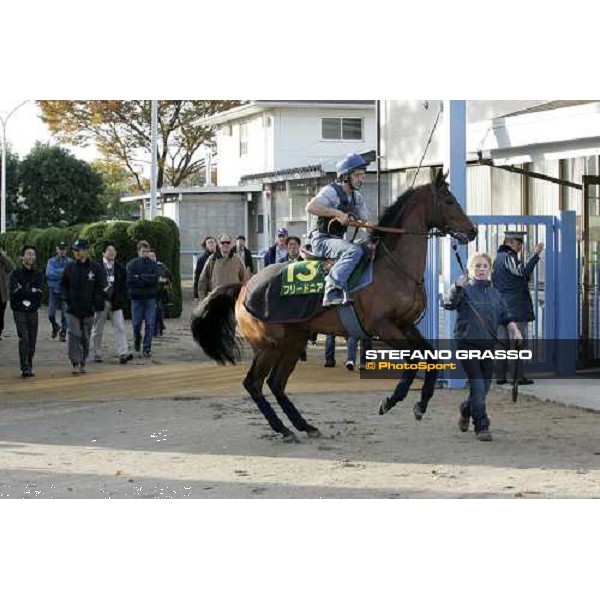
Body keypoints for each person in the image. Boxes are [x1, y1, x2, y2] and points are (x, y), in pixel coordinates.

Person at [443, 252, 523, 441]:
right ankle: (482, 425)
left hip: (488, 345)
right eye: (477, 266)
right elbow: (447, 303)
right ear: (471, 270)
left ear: (490, 270)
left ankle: (465, 408)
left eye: (484, 266)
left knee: (484, 388)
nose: (481, 269)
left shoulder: (496, 294)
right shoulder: (464, 290)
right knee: (478, 385)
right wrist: (456, 287)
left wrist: (514, 330)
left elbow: (506, 315)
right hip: (467, 343)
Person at [306, 152, 371, 306]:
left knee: (367, 248)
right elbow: (311, 207)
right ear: (345, 176)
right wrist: (337, 213)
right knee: (353, 251)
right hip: (321, 241)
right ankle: (331, 289)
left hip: (338, 241)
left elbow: (365, 223)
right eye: (358, 175)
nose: (362, 179)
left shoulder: (357, 197)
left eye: (363, 175)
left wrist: (378, 233)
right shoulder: (331, 191)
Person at [492, 230, 544, 385]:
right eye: (519, 243)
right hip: (515, 308)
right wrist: (535, 256)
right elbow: (523, 272)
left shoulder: (497, 259)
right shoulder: (509, 258)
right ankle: (516, 377)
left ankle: (500, 376)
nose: (521, 246)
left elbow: (516, 277)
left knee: (501, 344)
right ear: (510, 243)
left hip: (501, 308)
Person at [61, 239, 105, 374]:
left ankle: (82, 360)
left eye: (78, 249)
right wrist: (66, 299)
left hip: (88, 309)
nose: (75, 252)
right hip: (72, 309)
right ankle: (74, 362)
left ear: (86, 251)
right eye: (74, 250)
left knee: (85, 337)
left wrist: (96, 303)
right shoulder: (69, 267)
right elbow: (63, 285)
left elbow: (100, 287)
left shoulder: (96, 268)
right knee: (74, 334)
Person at [91, 241, 133, 365]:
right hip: (101, 302)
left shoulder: (120, 268)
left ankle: (123, 353)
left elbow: (125, 286)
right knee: (97, 329)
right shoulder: (96, 266)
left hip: (115, 302)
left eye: (113, 250)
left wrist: (122, 299)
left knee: (120, 327)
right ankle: (97, 352)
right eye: (109, 250)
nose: (112, 252)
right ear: (103, 252)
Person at [9, 245, 43, 377]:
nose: (30, 257)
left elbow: (39, 293)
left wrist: (24, 290)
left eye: (33, 254)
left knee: (32, 339)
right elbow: (15, 293)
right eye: (28, 254)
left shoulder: (38, 274)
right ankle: (25, 367)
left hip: (33, 310)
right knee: (24, 338)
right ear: (22, 257)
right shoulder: (15, 274)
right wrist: (31, 291)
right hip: (19, 310)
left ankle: (29, 363)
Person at [126, 240, 160, 358]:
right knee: (136, 324)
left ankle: (146, 347)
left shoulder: (153, 264)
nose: (145, 253)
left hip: (150, 298)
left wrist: (140, 277)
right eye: (143, 251)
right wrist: (146, 279)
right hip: (136, 298)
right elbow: (130, 280)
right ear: (138, 252)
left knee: (150, 324)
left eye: (147, 251)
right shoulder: (131, 264)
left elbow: (155, 279)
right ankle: (137, 340)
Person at [197, 234, 247, 302]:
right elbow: (203, 280)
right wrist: (202, 299)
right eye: (223, 243)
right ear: (219, 244)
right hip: (216, 299)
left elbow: (245, 279)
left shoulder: (238, 259)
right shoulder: (212, 259)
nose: (225, 244)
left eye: (228, 242)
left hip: (234, 300)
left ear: (231, 244)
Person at [45, 241, 71, 341]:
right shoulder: (51, 261)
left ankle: (63, 332)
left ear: (66, 250)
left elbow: (71, 275)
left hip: (66, 290)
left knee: (65, 314)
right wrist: (64, 272)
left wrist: (58, 272)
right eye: (60, 249)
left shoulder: (70, 261)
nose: (62, 251)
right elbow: (49, 274)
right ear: (57, 249)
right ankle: (55, 326)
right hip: (53, 290)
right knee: (51, 314)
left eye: (64, 249)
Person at [148, 249, 173, 338]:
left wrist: (165, 281)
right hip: (149, 294)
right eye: (150, 256)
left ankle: (160, 327)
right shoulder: (145, 267)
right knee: (153, 312)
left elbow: (169, 277)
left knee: (158, 310)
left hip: (160, 294)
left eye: (153, 256)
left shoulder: (161, 266)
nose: (152, 258)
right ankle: (155, 330)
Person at [193, 236, 217, 300]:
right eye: (209, 243)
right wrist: (196, 295)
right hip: (207, 291)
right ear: (206, 246)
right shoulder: (201, 260)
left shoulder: (221, 257)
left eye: (212, 242)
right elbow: (197, 277)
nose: (211, 244)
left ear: (216, 244)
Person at [0, 244, 14, 340]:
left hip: (1, 292)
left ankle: (0, 331)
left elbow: (10, 267)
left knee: (1, 314)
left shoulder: (3, 259)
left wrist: (2, 255)